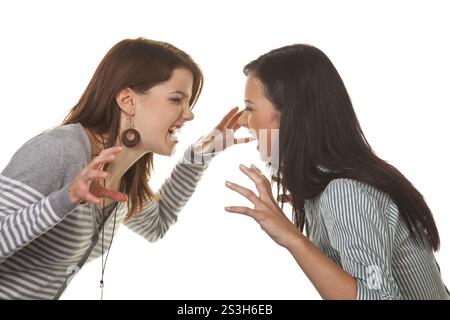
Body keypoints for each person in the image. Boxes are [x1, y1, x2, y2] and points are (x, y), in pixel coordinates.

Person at [0, 37, 251, 299]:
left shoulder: (125, 176)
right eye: (177, 100)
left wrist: (202, 154)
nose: (189, 114)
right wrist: (66, 199)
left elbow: (157, 224)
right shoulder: (58, 150)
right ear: (128, 101)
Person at [225, 44, 450, 299]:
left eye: (250, 108)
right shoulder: (328, 187)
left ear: (289, 115)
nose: (243, 121)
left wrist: (291, 238)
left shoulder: (344, 190)